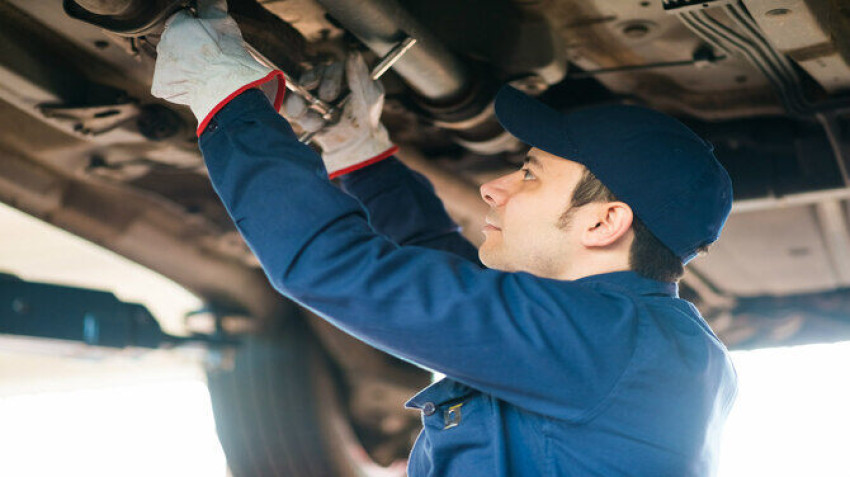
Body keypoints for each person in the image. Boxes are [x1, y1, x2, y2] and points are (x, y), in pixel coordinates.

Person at [152, 2, 737, 475]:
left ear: (603, 222)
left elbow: (329, 266)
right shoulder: (631, 338)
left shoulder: (608, 341)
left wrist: (228, 104)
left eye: (529, 173)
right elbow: (451, 281)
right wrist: (362, 157)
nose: (493, 188)